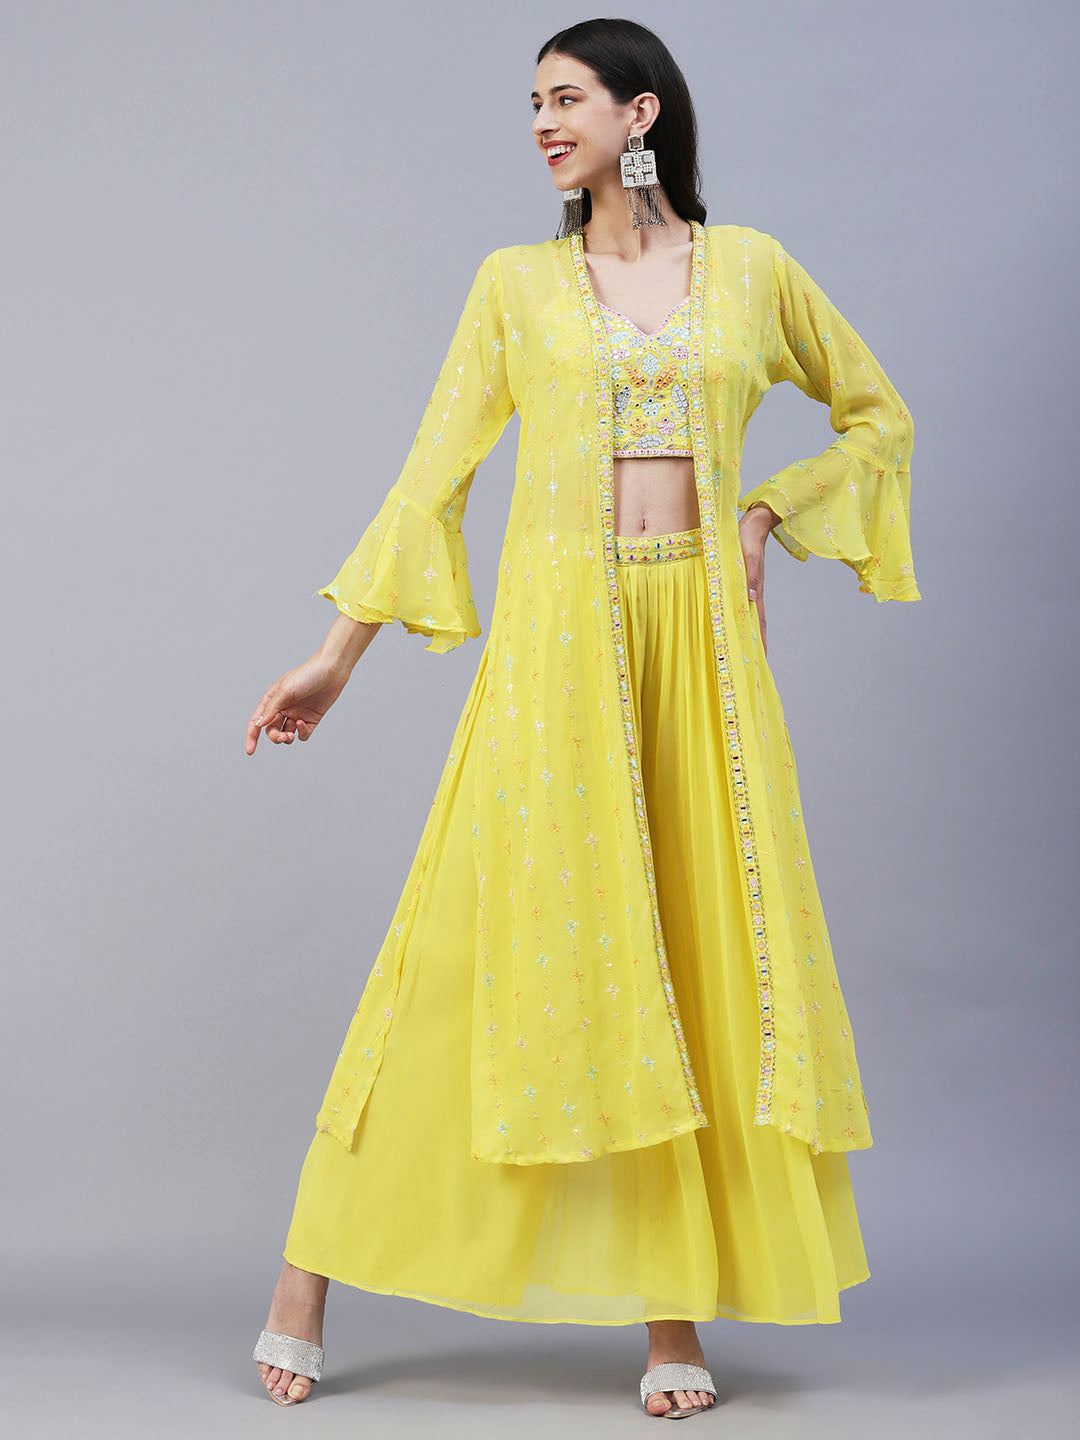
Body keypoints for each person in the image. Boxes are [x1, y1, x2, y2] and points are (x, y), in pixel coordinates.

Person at [245, 17, 918, 1420]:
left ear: (640, 111)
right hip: (561, 652)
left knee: (689, 961)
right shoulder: (516, 287)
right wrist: (334, 659)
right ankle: (306, 1273)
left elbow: (877, 419)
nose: (545, 124)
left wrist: (765, 512)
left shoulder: (753, 270)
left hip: (705, 656)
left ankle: (673, 1318)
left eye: (567, 99)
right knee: (460, 959)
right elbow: (432, 474)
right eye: (535, 105)